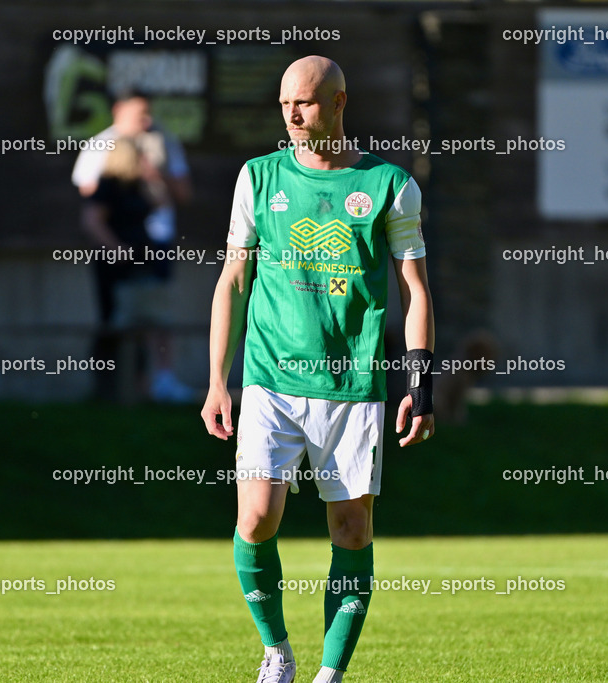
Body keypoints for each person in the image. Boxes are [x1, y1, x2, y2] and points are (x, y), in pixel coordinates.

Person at [200, 56, 436, 683]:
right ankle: (277, 652)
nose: (293, 116)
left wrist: (421, 386)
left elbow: (414, 290)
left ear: (339, 103)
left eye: (304, 103)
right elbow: (233, 280)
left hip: (352, 383)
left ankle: (330, 674)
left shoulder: (389, 185)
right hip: (270, 377)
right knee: (256, 518)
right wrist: (218, 379)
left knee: (352, 529)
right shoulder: (258, 177)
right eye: (285, 105)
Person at [73, 89, 193, 402]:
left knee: (153, 316)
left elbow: (171, 198)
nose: (146, 121)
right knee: (118, 322)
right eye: (139, 114)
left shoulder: (161, 144)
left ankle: (153, 382)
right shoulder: (105, 166)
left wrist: (154, 174)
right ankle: (113, 388)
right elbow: (92, 212)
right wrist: (116, 248)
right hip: (118, 260)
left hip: (149, 252)